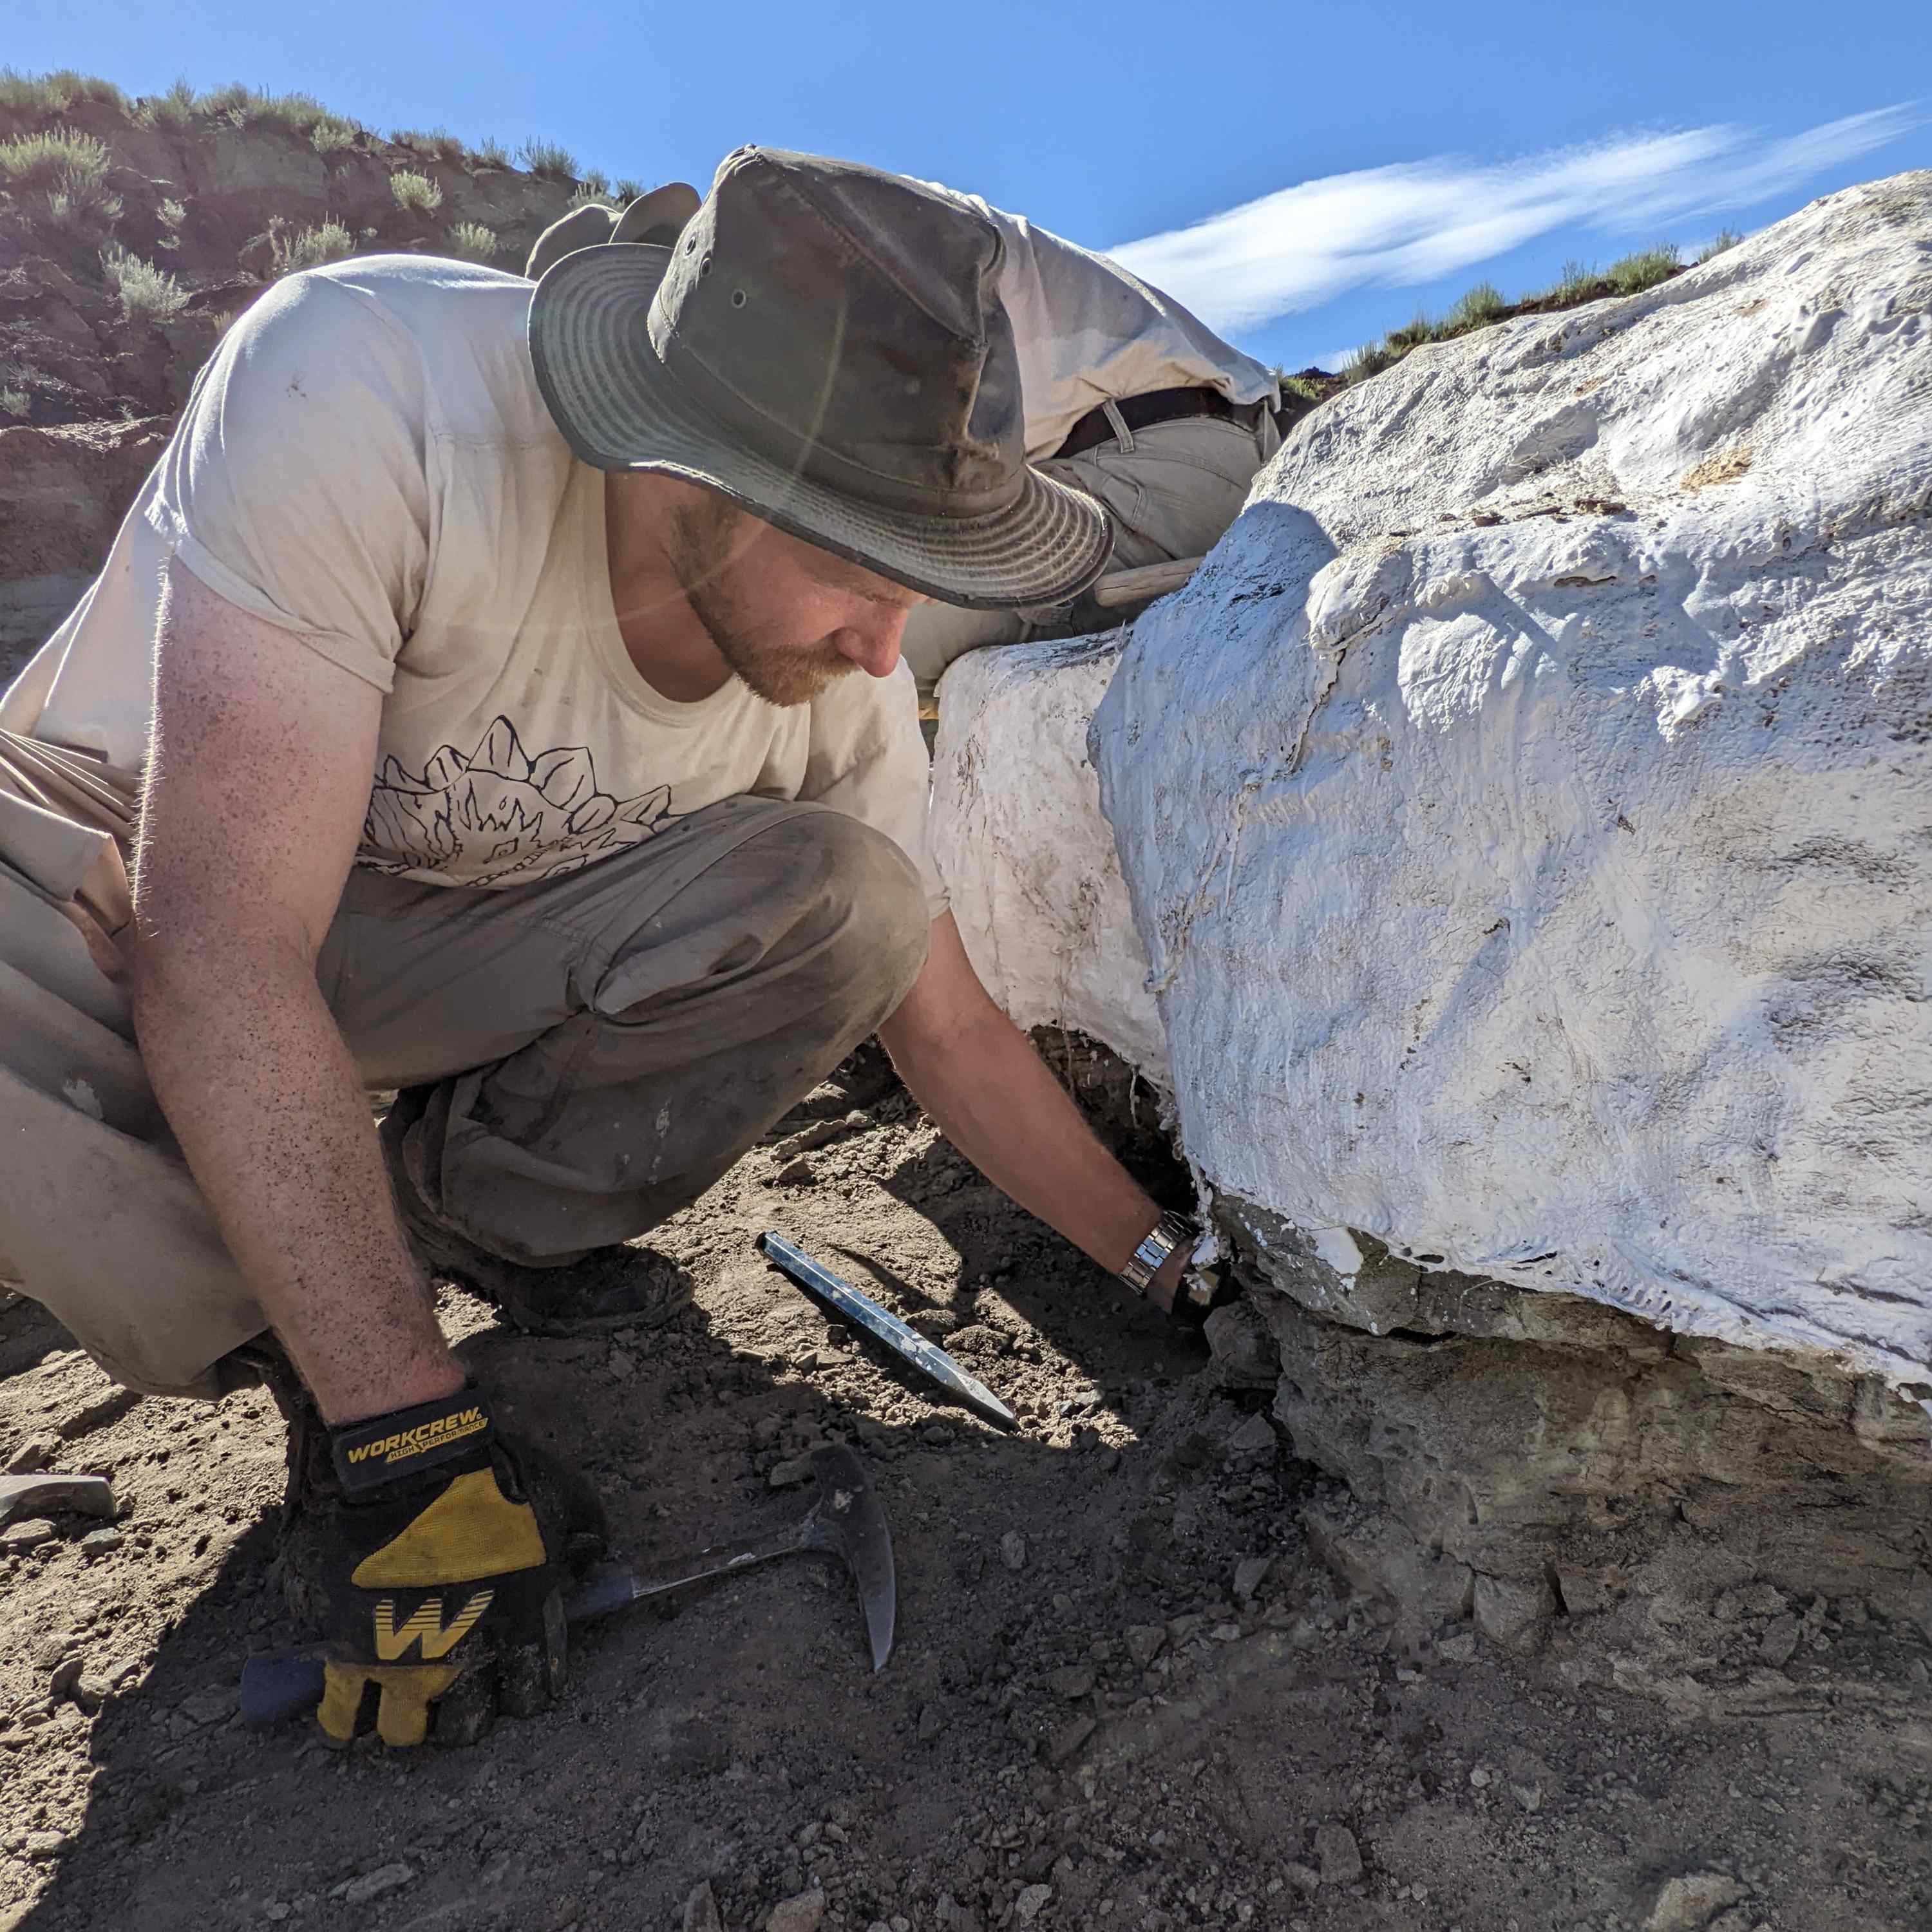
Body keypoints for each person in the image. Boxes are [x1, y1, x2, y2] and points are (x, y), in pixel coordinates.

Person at [0, 148, 1224, 1751]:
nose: (882, 649)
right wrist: (405, 1438)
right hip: (133, 884)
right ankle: (308, 1352)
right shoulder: (365, 386)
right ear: (682, 476)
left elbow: (949, 1026)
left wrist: (1164, 1265)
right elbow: (218, 939)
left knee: (845, 893)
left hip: (437, 939)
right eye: (858, 580)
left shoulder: (833, 675)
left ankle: (454, 1222)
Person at [524, 178, 1282, 705]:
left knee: (830, 663)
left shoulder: (852, 263)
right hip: (1141, 444)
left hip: (1167, 447)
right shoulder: (821, 241)